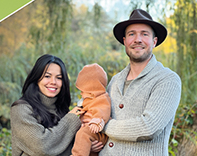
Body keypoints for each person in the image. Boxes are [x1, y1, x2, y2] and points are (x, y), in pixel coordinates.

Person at [99, 9, 182, 156]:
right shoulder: (115, 80)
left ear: (154, 41)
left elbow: (148, 128)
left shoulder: (167, 79)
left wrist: (101, 125)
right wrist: (96, 142)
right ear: (125, 41)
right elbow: (101, 111)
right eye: (131, 34)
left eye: (144, 34)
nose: (138, 39)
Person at [10, 54, 103, 156]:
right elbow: (42, 146)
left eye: (59, 78)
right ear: (37, 78)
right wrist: (70, 120)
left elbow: (63, 146)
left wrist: (85, 145)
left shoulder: (61, 109)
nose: (53, 82)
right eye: (47, 76)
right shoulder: (20, 109)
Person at [71, 63, 111, 156]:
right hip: (90, 130)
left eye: (82, 91)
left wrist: (96, 121)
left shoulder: (102, 99)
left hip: (97, 130)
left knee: (83, 134)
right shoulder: (89, 99)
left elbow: (103, 111)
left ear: (92, 90)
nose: (81, 93)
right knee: (81, 135)